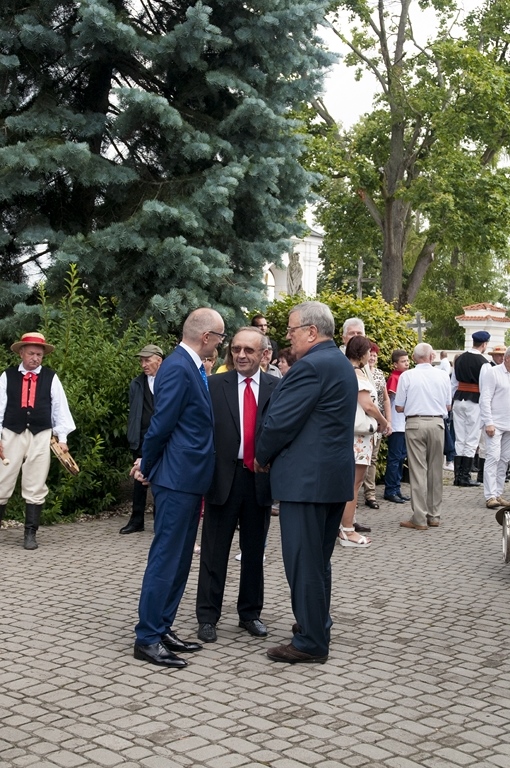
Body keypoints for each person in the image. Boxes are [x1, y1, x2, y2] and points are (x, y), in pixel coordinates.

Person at [255, 301, 358, 664]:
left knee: (303, 562)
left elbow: (280, 422)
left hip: (306, 482)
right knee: (317, 561)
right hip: (329, 479)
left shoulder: (311, 366)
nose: (288, 336)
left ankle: (311, 642)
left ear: (312, 332)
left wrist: (261, 455)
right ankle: (316, 624)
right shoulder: (339, 363)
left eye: (292, 330)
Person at [131, 308, 225, 669]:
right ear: (206, 337)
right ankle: (147, 637)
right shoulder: (177, 367)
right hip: (176, 479)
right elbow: (160, 425)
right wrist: (147, 466)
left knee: (181, 558)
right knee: (166, 559)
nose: (220, 344)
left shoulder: (191, 366)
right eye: (220, 337)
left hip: (189, 478)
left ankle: (163, 626)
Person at [196, 327, 277, 643]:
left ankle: (250, 613)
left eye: (249, 350)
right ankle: (207, 616)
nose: (241, 355)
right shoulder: (214, 385)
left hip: (259, 480)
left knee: (254, 552)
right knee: (214, 552)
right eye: (236, 349)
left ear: (264, 354)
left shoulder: (276, 387)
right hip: (223, 479)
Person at [0, 332, 75, 550]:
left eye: (39, 355)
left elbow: (60, 408)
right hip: (11, 433)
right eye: (31, 353)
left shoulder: (51, 377)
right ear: (21, 353)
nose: (35, 358)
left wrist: (62, 439)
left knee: (36, 482)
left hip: (41, 435)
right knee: (2, 480)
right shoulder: (7, 376)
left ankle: (30, 534)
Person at [339, 336, 390, 547]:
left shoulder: (343, 370)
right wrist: (383, 421)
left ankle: (342, 526)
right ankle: (347, 530)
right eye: (369, 351)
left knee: (349, 484)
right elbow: (367, 405)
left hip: (350, 435)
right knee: (354, 485)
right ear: (362, 353)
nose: (370, 355)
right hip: (358, 436)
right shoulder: (356, 373)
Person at [395, 343, 451, 530]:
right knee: (435, 470)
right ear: (432, 356)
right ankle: (434, 515)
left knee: (418, 470)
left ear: (413, 358)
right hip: (437, 423)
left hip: (415, 423)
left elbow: (399, 406)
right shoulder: (443, 375)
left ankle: (419, 517)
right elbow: (448, 405)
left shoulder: (407, 376)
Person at [121, 344, 164, 534]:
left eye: (147, 360)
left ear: (159, 360)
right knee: (138, 480)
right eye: (141, 361)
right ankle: (136, 520)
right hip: (140, 437)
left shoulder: (168, 381)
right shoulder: (137, 383)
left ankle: (160, 520)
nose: (143, 364)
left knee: (160, 479)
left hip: (161, 438)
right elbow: (134, 411)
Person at [451, 331, 490, 487]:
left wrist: (450, 400)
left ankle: (458, 476)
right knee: (472, 438)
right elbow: (485, 388)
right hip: (475, 402)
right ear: (484, 344)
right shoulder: (484, 363)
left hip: (459, 400)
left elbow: (453, 383)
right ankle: (465, 476)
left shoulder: (460, 359)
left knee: (460, 438)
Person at [479, 348, 510, 509]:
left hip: (508, 424)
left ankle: (498, 493)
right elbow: (485, 398)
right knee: (493, 457)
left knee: (504, 459)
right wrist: (488, 422)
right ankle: (490, 496)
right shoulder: (493, 372)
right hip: (495, 424)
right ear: (507, 358)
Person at [363, 342, 391, 509]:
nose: (372, 357)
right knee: (359, 459)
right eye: (370, 354)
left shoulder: (380, 374)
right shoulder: (360, 373)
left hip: (378, 422)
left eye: (375, 355)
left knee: (373, 459)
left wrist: (388, 420)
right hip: (363, 421)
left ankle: (370, 494)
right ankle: (352, 495)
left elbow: (386, 399)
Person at [383, 349, 411, 504]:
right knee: (394, 458)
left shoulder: (405, 377)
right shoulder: (394, 378)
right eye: (403, 361)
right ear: (395, 364)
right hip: (396, 423)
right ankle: (390, 490)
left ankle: (397, 488)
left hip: (403, 423)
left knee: (400, 458)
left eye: (407, 361)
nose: (406, 364)